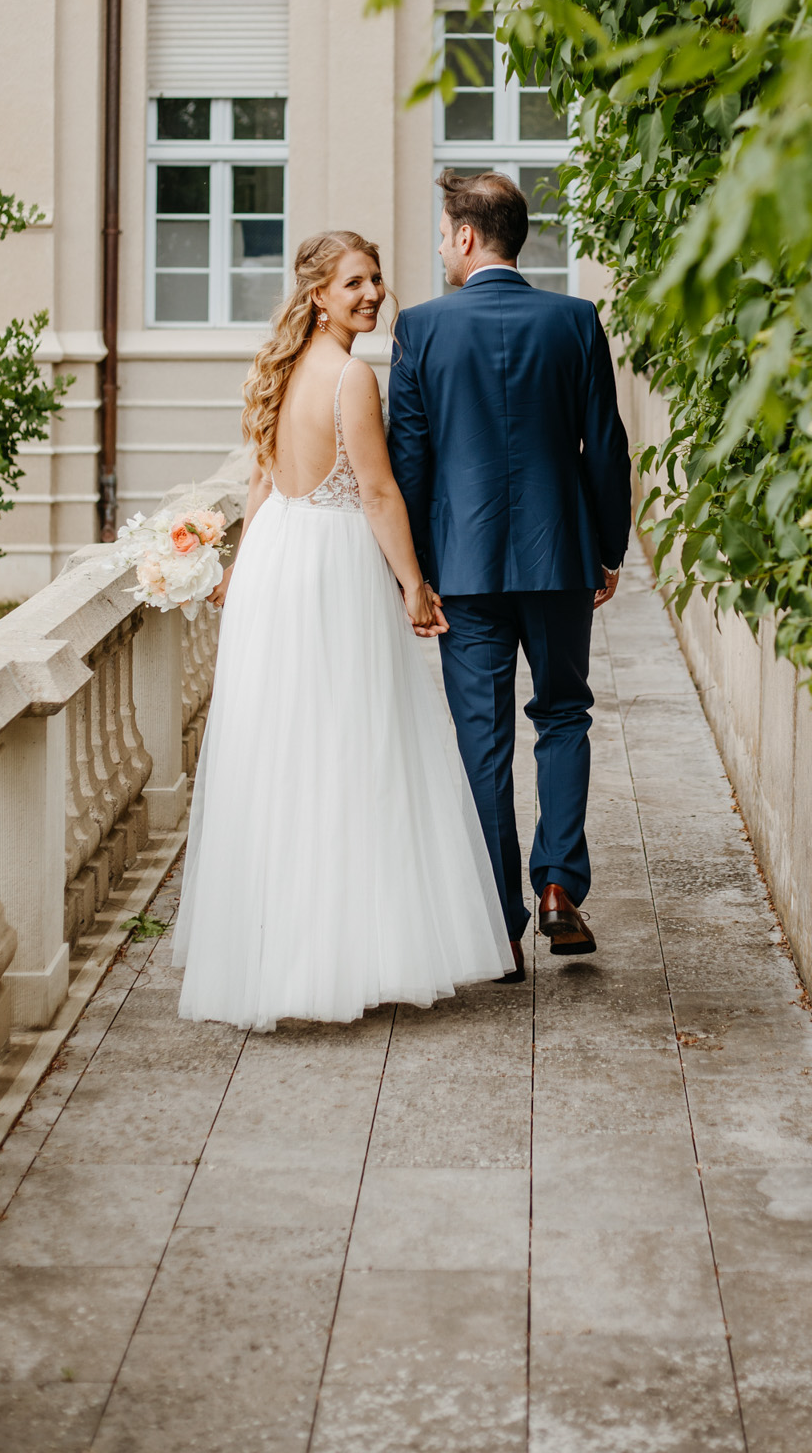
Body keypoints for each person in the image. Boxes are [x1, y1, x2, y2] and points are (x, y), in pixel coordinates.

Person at [172, 231, 513, 1029]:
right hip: (330, 570)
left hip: (276, 564)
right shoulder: (353, 377)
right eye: (355, 283)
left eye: (377, 279)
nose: (373, 293)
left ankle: (283, 957)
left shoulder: (281, 369)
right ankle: (342, 957)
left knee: (284, 755)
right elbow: (379, 495)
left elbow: (261, 482)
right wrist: (415, 586)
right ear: (319, 295)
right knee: (350, 748)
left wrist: (240, 569)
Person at [389, 170, 633, 982]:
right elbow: (606, 446)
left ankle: (497, 922)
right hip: (558, 558)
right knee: (564, 714)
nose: (438, 247)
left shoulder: (420, 329)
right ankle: (560, 884)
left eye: (442, 233)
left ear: (465, 237)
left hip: (463, 569)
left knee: (480, 739)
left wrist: (414, 572)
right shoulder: (574, 321)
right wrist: (608, 548)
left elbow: (409, 463)